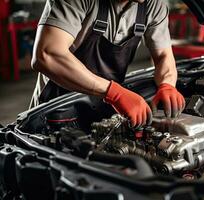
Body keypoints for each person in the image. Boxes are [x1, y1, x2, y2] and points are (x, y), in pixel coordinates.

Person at [30, 0, 185, 128]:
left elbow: (163, 55)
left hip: (106, 109)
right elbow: (47, 55)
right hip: (57, 109)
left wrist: (167, 85)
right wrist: (115, 93)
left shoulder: (154, 4)